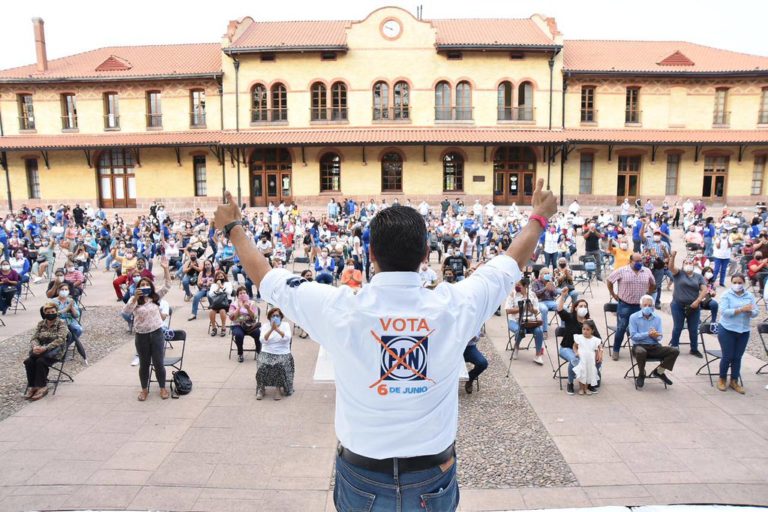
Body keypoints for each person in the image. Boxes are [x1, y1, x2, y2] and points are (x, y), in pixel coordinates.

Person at [213, 175, 557, 510]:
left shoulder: (340, 309)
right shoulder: (454, 306)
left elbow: (268, 279)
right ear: (426, 254)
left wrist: (234, 228)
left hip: (362, 476)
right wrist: (538, 219)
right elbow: (508, 266)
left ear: (371, 253)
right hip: (431, 475)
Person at [123, 258, 171, 401]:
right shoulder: (135, 299)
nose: (144, 286)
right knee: (144, 364)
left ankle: (162, 388)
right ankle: (144, 389)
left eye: (146, 285)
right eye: (141, 285)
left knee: (158, 362)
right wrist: (135, 298)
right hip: (141, 335)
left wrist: (166, 269)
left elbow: (168, 285)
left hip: (156, 333)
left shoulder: (154, 297)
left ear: (150, 286)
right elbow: (126, 311)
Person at [607, 253, 656, 360]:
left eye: (640, 261)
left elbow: (653, 283)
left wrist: (648, 294)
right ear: (630, 261)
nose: (639, 263)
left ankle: (638, 350)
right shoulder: (622, 271)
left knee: (640, 329)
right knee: (621, 328)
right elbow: (609, 280)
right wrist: (613, 294)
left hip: (640, 306)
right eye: (637, 261)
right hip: (625, 305)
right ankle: (616, 350)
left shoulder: (646, 271)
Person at [716, 273, 759, 394]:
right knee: (727, 355)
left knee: (737, 357)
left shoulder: (749, 295)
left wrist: (751, 312)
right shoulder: (726, 295)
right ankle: (722, 378)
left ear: (744, 283)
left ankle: (734, 380)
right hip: (727, 329)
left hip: (743, 330)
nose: (737, 285)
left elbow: (756, 311)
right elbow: (724, 312)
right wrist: (740, 310)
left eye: (740, 282)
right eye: (734, 282)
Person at [556, 289, 602, 395]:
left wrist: (600, 352)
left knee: (597, 360)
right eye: (580, 306)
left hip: (586, 350)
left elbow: (598, 339)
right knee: (575, 359)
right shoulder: (570, 318)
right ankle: (570, 383)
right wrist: (563, 297)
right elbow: (560, 310)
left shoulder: (589, 322)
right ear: (575, 308)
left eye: (585, 306)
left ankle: (590, 382)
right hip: (567, 348)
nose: (583, 308)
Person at [629, 295, 679, 388]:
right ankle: (641, 374)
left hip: (654, 346)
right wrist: (647, 334)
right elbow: (633, 336)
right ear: (641, 306)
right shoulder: (634, 317)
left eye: (649, 305)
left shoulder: (657, 318)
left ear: (653, 307)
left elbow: (660, 337)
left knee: (674, 351)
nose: (647, 307)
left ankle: (659, 372)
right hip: (639, 346)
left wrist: (656, 336)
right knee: (641, 352)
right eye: (645, 305)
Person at [23, 302, 69, 401]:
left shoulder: (61, 323)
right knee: (28, 361)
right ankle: (33, 386)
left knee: (40, 361)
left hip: (55, 350)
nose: (51, 313)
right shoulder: (41, 324)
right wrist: (35, 346)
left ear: (56, 312)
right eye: (48, 312)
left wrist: (45, 348)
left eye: (53, 311)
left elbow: (60, 339)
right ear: (45, 313)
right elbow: (34, 337)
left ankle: (42, 386)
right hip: (40, 349)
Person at [668, 251, 707, 358]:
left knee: (693, 329)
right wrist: (673, 257)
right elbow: (671, 267)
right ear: (683, 264)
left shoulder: (698, 276)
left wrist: (698, 301)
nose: (688, 264)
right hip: (678, 305)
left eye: (690, 263)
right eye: (686, 263)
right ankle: (674, 346)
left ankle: (694, 349)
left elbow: (704, 290)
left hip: (693, 306)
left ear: (693, 265)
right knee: (678, 327)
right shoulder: (679, 273)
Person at [505, 277, 545, 365]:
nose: (516, 287)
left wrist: (531, 309)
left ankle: (538, 355)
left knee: (539, 331)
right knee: (520, 330)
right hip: (515, 320)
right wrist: (521, 309)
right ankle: (516, 347)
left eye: (518, 285)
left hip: (530, 321)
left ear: (526, 286)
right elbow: (508, 310)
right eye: (516, 285)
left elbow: (536, 311)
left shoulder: (532, 295)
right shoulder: (512, 294)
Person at [257, 307, 294, 400]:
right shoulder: (265, 326)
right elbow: (262, 340)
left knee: (279, 365)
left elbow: (287, 338)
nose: (275, 317)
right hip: (267, 351)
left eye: (277, 316)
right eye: (273, 316)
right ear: (270, 317)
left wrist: (277, 329)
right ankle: (261, 388)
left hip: (282, 352)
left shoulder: (285, 325)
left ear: (281, 317)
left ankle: (278, 388)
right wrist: (271, 329)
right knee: (262, 365)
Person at [53, 281, 88, 364]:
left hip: (70, 320)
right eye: (62, 289)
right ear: (58, 291)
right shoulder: (53, 302)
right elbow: (53, 314)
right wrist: (65, 309)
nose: (64, 291)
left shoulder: (70, 300)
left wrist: (72, 307)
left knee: (78, 329)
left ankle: (64, 346)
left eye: (66, 289)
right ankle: (59, 348)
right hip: (58, 321)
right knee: (65, 332)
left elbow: (76, 315)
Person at [228, 286, 261, 362]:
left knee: (258, 333)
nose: (242, 294)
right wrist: (239, 308)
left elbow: (254, 317)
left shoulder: (252, 303)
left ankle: (259, 352)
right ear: (237, 295)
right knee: (239, 335)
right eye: (240, 293)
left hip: (250, 325)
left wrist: (248, 309)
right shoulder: (234, 304)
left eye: (244, 293)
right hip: (237, 325)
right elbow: (232, 318)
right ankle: (240, 354)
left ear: (247, 294)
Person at [572, 320, 601, 396]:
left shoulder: (595, 340)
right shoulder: (579, 338)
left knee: (589, 373)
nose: (585, 331)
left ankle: (586, 388)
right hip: (582, 358)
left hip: (590, 359)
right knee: (582, 372)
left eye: (588, 330)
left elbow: (596, 349)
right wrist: (576, 352)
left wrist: (598, 355)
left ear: (592, 330)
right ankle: (581, 388)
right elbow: (574, 346)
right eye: (584, 329)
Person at [531, 266, 559, 335]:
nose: (547, 275)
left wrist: (552, 290)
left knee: (563, 307)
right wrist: (545, 288)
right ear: (540, 275)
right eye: (545, 273)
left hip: (551, 301)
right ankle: (544, 331)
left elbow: (555, 294)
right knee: (544, 309)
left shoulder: (550, 282)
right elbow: (535, 294)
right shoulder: (535, 282)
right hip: (540, 301)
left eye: (548, 273)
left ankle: (563, 329)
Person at [207, 270, 232, 337]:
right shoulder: (213, 285)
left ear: (224, 276)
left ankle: (223, 327)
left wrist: (221, 286)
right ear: (216, 278)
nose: (220, 278)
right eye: (218, 277)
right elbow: (211, 295)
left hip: (226, 302)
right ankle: (214, 327)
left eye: (221, 276)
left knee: (222, 311)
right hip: (216, 302)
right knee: (212, 312)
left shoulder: (228, 283)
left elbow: (229, 292)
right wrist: (218, 288)